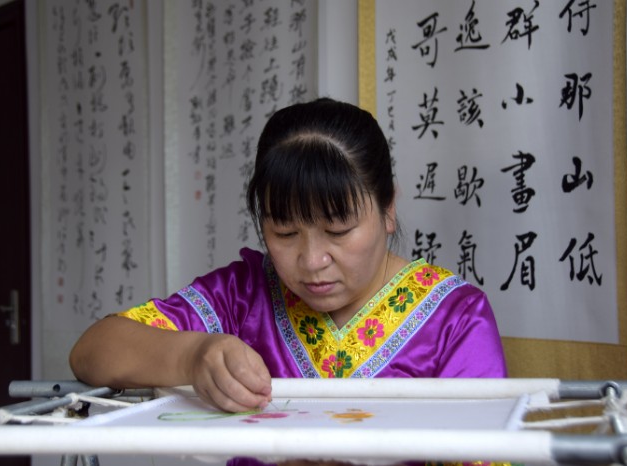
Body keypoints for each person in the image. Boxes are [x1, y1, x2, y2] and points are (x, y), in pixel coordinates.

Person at [70, 98, 507, 417]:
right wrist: (193, 355)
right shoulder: (244, 295)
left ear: (388, 208)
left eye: (338, 231)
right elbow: (92, 350)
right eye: (285, 233)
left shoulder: (455, 317)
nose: (312, 261)